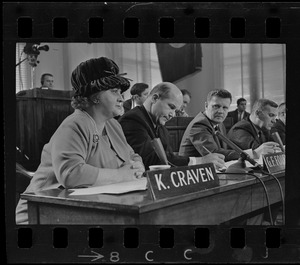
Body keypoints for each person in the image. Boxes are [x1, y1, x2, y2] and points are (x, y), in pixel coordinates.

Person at [16, 57, 145, 224]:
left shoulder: (113, 125)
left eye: (120, 92)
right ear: (95, 96)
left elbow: (131, 155)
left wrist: (137, 165)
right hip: (39, 217)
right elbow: (71, 174)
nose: (121, 98)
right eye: (114, 91)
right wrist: (121, 175)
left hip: (81, 211)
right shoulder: (75, 124)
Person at [119, 82, 225, 170]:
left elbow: (168, 157)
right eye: (171, 107)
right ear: (155, 98)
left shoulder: (159, 124)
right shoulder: (132, 120)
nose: (172, 115)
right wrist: (200, 161)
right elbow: (151, 161)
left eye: (175, 110)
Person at [179, 89, 241, 162]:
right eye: (216, 106)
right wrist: (246, 154)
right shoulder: (199, 124)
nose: (220, 111)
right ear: (206, 105)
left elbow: (224, 150)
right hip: (192, 171)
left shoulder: (220, 124)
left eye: (225, 108)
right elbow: (214, 154)